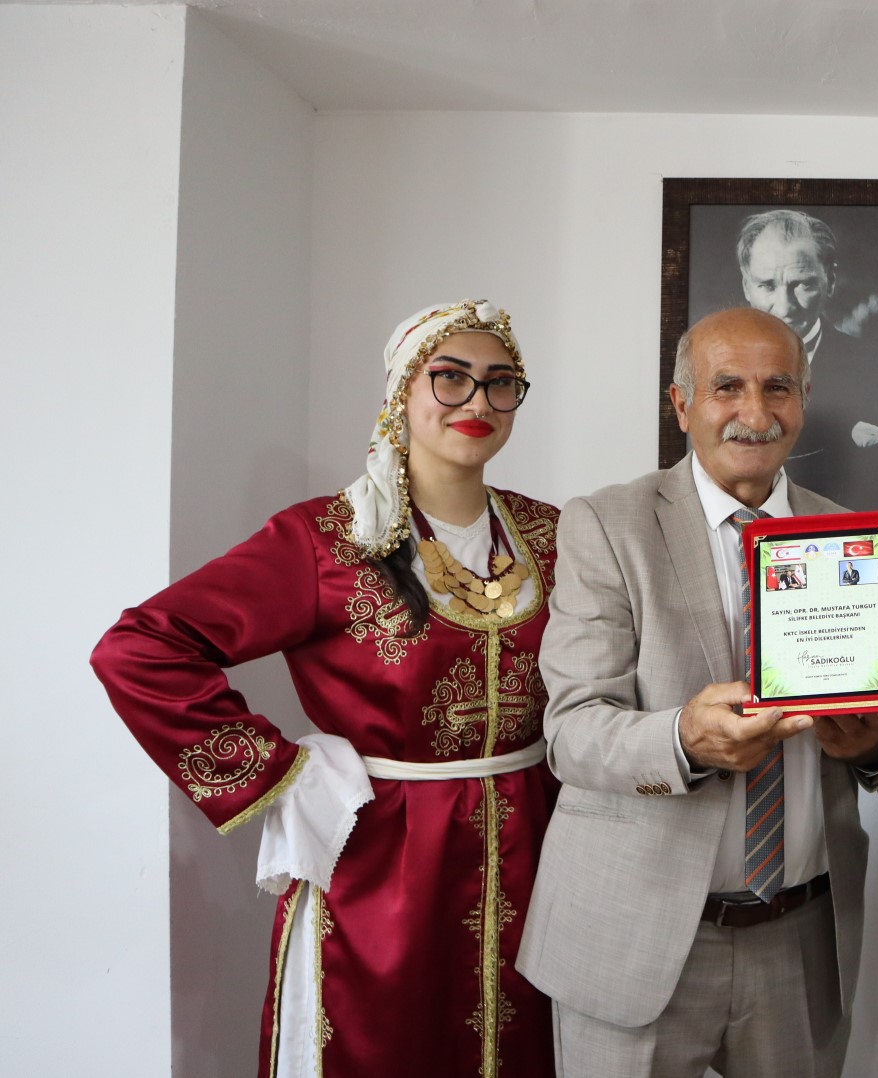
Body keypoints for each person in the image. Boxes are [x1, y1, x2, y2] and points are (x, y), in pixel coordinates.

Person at [91, 300, 561, 1077]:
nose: (477, 400)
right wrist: (282, 777)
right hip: (385, 859)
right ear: (401, 392)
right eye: (450, 378)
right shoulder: (325, 540)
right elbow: (140, 648)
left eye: (500, 382)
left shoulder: (551, 536)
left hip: (536, 851)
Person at [518, 307, 878, 1078]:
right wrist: (683, 741)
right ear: (682, 403)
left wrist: (873, 744)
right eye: (727, 386)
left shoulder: (856, 535)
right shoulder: (608, 524)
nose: (755, 414)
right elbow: (573, 731)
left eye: (778, 387)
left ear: (803, 400)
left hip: (800, 940)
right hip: (635, 936)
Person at [736, 208, 878, 510]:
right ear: (746, 286)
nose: (785, 307)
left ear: (830, 280)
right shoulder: (712, 373)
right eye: (767, 285)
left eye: (802, 284)